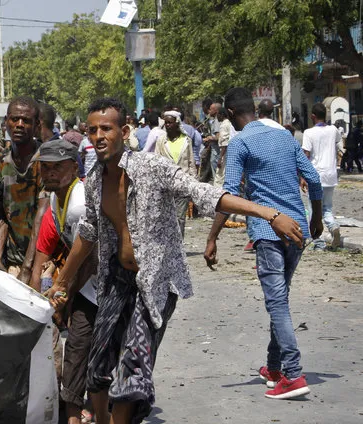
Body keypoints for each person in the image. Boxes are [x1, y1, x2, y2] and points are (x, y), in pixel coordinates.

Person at [48, 97, 305, 423]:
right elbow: (89, 232)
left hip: (154, 283)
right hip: (115, 281)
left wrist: (269, 214)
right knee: (98, 367)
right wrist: (62, 283)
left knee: (132, 373)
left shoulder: (152, 169)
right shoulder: (96, 177)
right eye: (93, 129)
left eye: (107, 128)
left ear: (124, 130)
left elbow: (205, 193)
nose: (98, 135)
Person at [205, 87, 323, 400]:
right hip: (297, 229)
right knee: (280, 299)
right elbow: (312, 179)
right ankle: (273, 368)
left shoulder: (241, 141)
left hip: (268, 231)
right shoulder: (285, 137)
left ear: (230, 115)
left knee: (277, 303)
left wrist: (212, 237)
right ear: (254, 109)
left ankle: (294, 375)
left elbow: (228, 196)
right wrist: (317, 218)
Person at [29, 139, 107, 424]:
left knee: (104, 355)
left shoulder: (79, 202)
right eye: (44, 168)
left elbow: (91, 257)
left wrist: (63, 293)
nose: (49, 173)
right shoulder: (55, 197)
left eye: (56, 168)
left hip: (110, 287)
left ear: (74, 168)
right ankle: (73, 417)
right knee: (76, 348)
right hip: (88, 287)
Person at [0, 96, 49, 283]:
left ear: (37, 125)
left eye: (26, 120)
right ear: (6, 122)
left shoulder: (47, 161)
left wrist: (28, 268)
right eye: (14, 119)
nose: (19, 124)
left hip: (45, 259)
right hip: (14, 260)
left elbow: (42, 213)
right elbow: (1, 213)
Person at [302, 102, 341, 250]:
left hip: (316, 174)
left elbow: (305, 155)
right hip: (331, 175)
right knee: (327, 208)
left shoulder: (309, 133)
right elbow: (337, 141)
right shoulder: (333, 130)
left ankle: (317, 242)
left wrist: (302, 176)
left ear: (313, 116)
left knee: (314, 209)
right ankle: (333, 226)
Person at [154, 110, 196, 236]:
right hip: (166, 184)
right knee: (166, 217)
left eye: (170, 123)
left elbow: (191, 162)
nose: (167, 125)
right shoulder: (161, 141)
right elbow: (156, 161)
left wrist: (193, 182)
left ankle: (179, 244)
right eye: (165, 123)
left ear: (176, 124)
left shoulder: (186, 140)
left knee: (180, 217)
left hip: (182, 183)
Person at [213, 107, 236, 188]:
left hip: (224, 154)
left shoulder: (223, 125)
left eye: (218, 115)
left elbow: (224, 143)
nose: (217, 117)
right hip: (229, 154)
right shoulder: (230, 123)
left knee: (219, 177)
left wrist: (220, 158)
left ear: (222, 115)